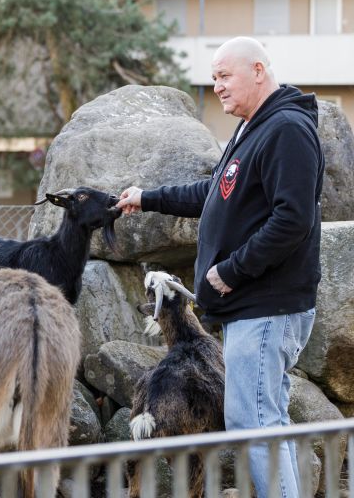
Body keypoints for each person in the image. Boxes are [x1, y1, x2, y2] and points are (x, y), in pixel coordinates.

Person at [117, 36, 323, 498]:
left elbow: (293, 219)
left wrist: (230, 271)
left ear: (257, 70)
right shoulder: (253, 129)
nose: (218, 88)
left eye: (224, 76)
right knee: (265, 419)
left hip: (267, 306)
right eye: (213, 79)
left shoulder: (286, 128)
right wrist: (148, 197)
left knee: (254, 421)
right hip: (251, 309)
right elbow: (214, 194)